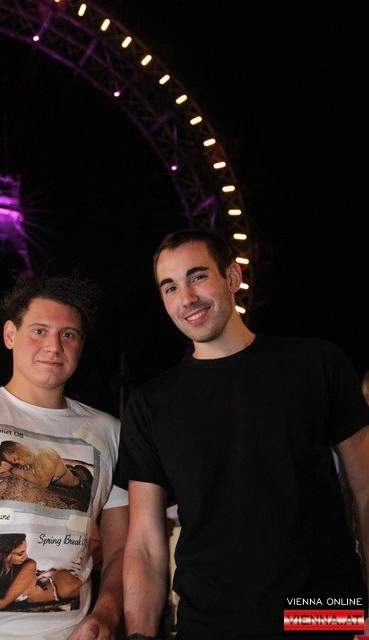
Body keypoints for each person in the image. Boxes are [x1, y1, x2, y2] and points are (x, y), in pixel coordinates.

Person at [119, 228, 369, 640]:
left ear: (232, 277)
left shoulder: (315, 364)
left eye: (198, 276)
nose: (186, 298)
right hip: (211, 625)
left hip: (322, 614)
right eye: (170, 287)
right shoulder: (151, 405)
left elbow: (365, 491)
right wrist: (140, 636)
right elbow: (144, 542)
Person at [0, 271, 128, 640]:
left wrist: (105, 615)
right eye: (39, 331)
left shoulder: (109, 431)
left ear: (80, 345)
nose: (54, 346)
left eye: (68, 334)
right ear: (10, 334)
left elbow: (123, 549)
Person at [0, 533, 81, 611]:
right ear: (5, 554)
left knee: (84, 579)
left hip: (59, 586)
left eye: (25, 551)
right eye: (20, 553)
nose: (25, 556)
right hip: (47, 579)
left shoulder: (29, 564)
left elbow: (3, 602)